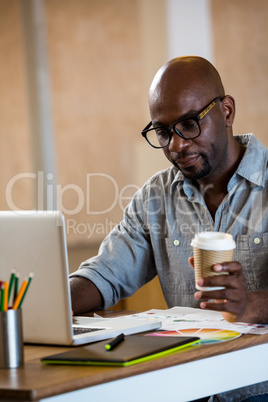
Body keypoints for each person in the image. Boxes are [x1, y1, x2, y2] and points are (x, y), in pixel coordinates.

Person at [70, 56, 268, 400]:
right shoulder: (155, 197)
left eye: (190, 124)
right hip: (188, 388)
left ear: (227, 111)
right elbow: (104, 274)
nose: (176, 145)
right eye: (162, 131)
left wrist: (250, 306)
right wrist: (44, 303)